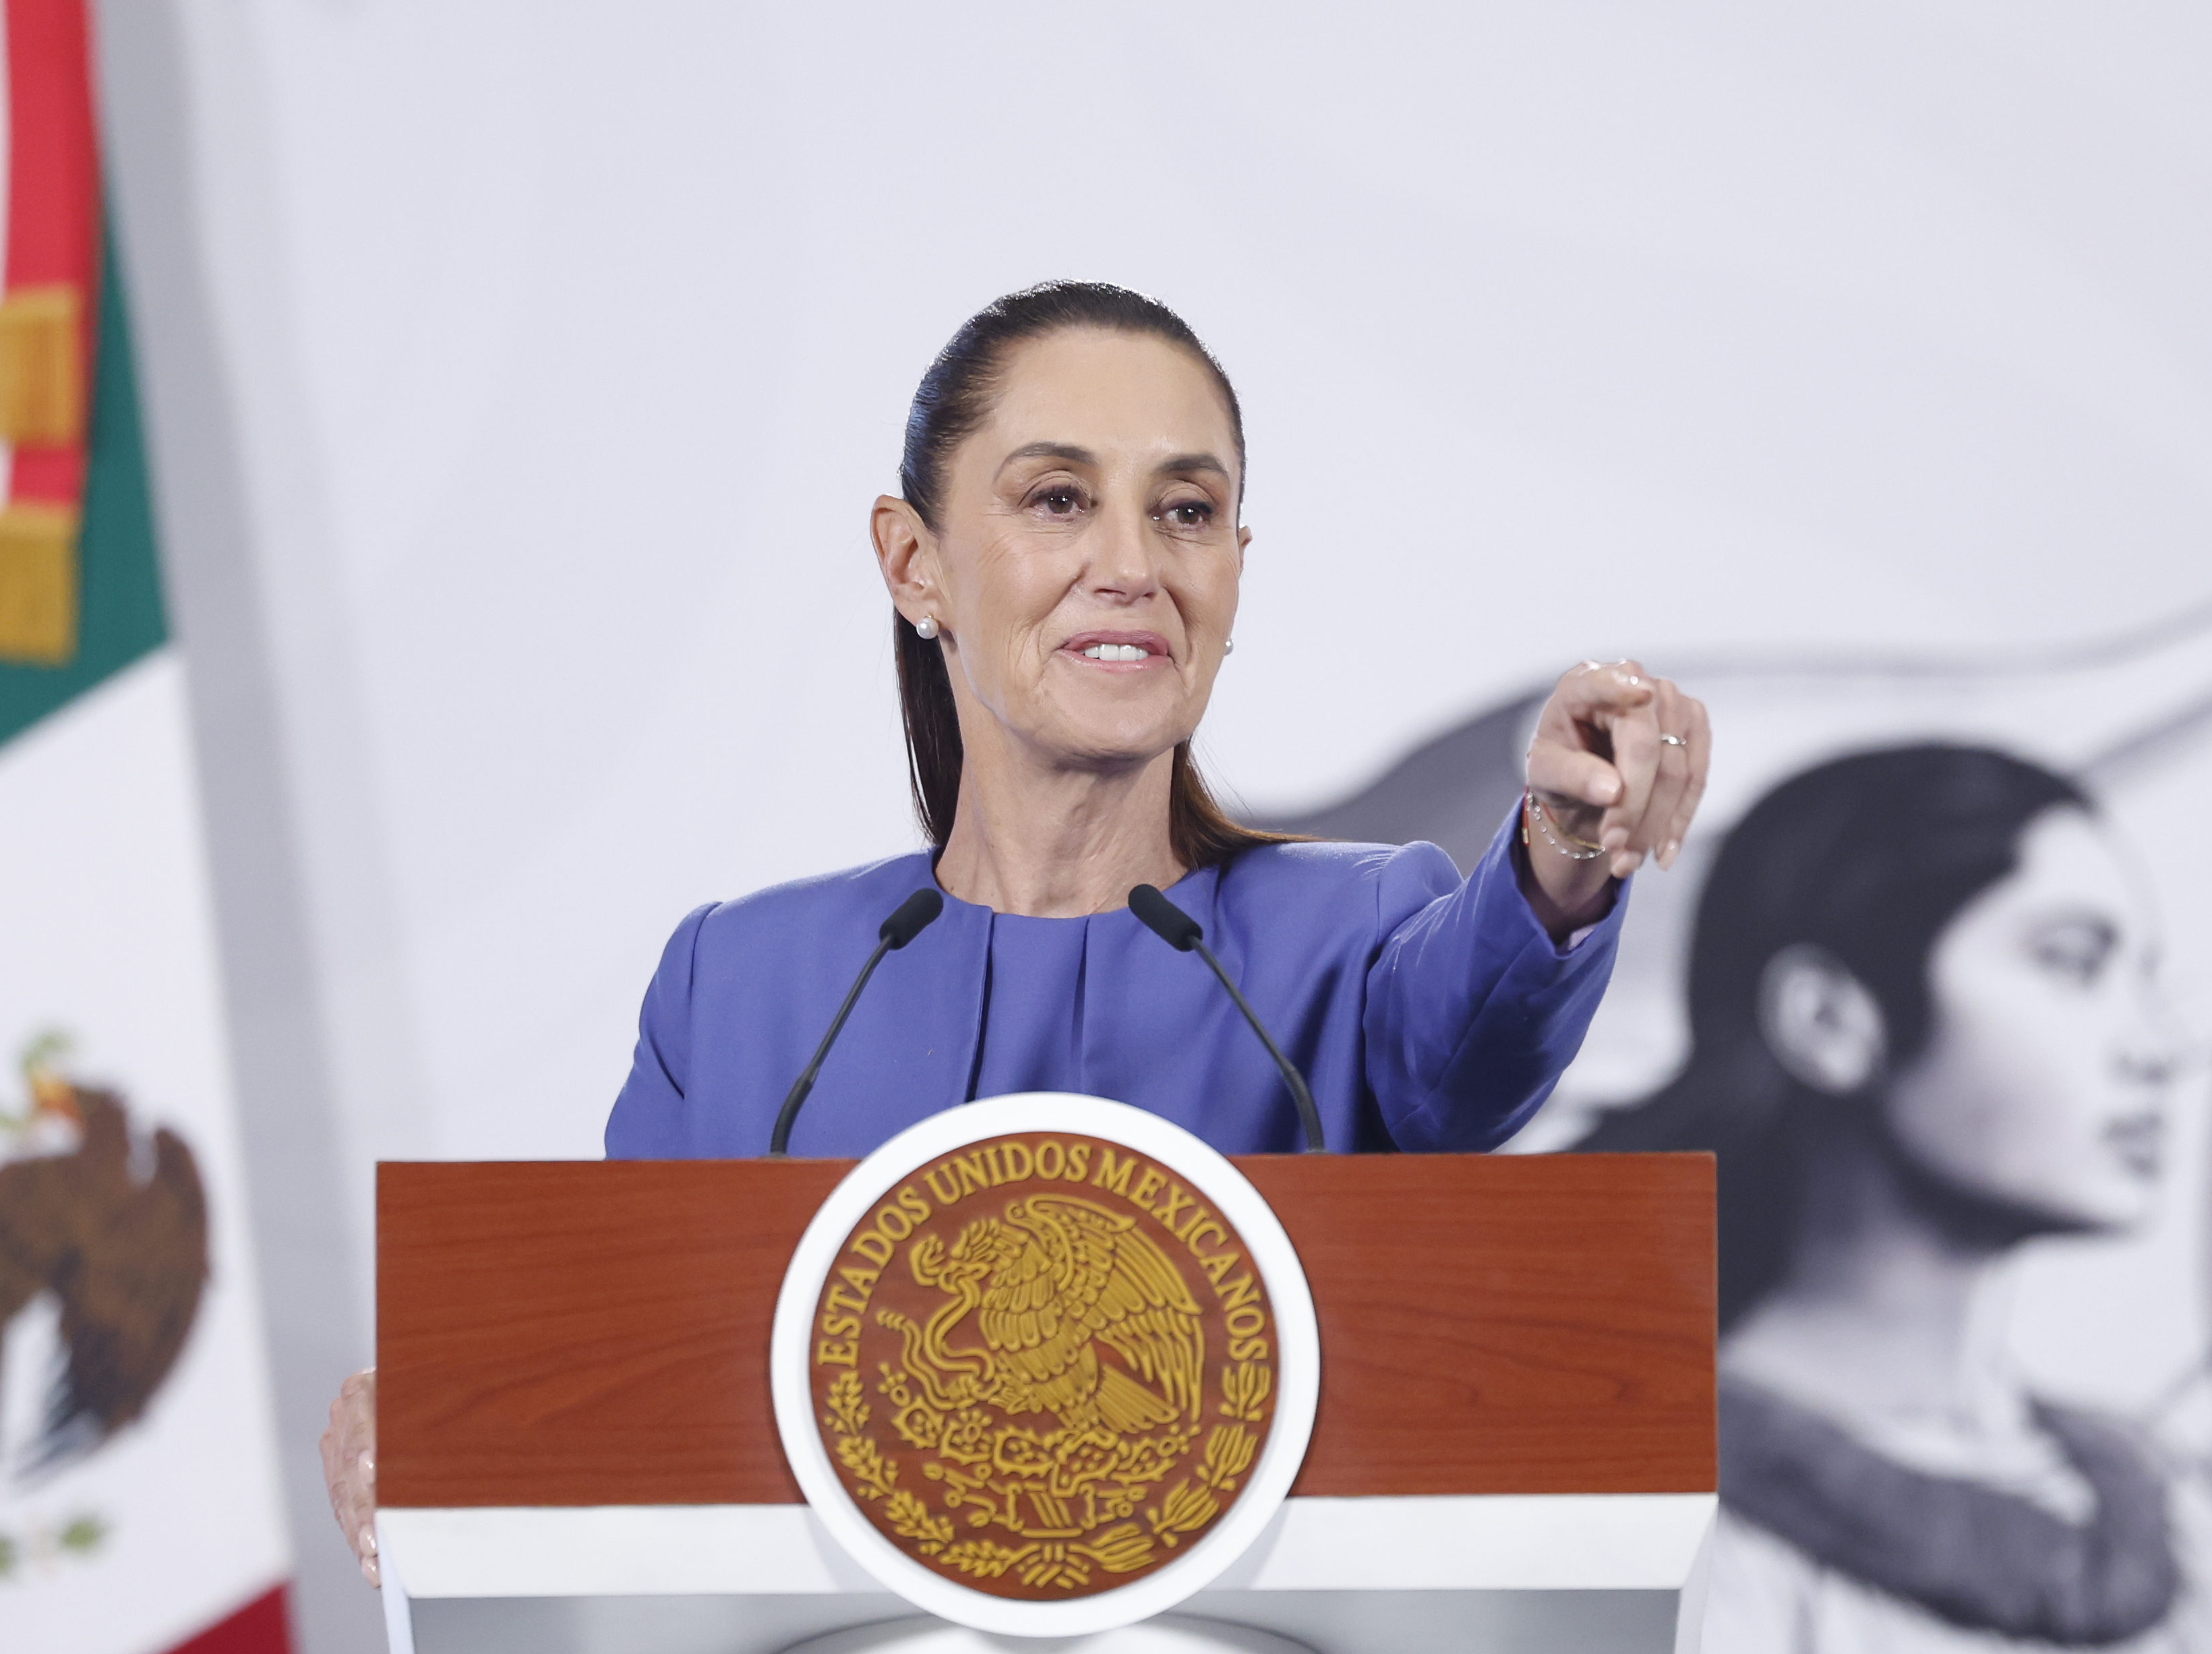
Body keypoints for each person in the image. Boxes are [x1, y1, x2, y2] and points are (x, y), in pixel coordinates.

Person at [320, 280, 1711, 1585]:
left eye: (1186, 512)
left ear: (1235, 570)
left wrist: (1567, 844)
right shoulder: (739, 984)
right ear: (913, 562)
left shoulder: (1354, 935)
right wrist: (456, 1418)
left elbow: (1473, 1042)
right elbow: (628, 1379)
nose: (1133, 566)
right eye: (1058, 499)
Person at [1587, 744, 2212, 1654]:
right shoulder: (1639, 1533)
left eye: (2146, 979)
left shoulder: (2172, 1517)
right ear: (1828, 1020)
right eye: (2072, 964)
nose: (2158, 1046)